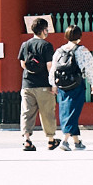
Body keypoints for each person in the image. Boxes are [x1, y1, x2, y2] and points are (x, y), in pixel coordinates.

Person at [51, 25, 93, 150]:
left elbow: (53, 69)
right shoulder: (82, 50)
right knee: (73, 112)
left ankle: (77, 141)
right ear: (80, 36)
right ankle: (65, 140)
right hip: (76, 84)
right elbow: (89, 67)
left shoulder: (59, 51)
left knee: (66, 110)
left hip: (62, 85)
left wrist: (53, 85)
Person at [19, 18, 58, 150]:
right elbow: (50, 66)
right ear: (43, 30)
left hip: (27, 85)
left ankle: (27, 140)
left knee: (27, 113)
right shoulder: (46, 45)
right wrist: (53, 84)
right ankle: (51, 140)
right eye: (47, 29)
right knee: (47, 112)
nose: (47, 32)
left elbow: (23, 64)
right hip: (43, 85)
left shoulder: (25, 44)